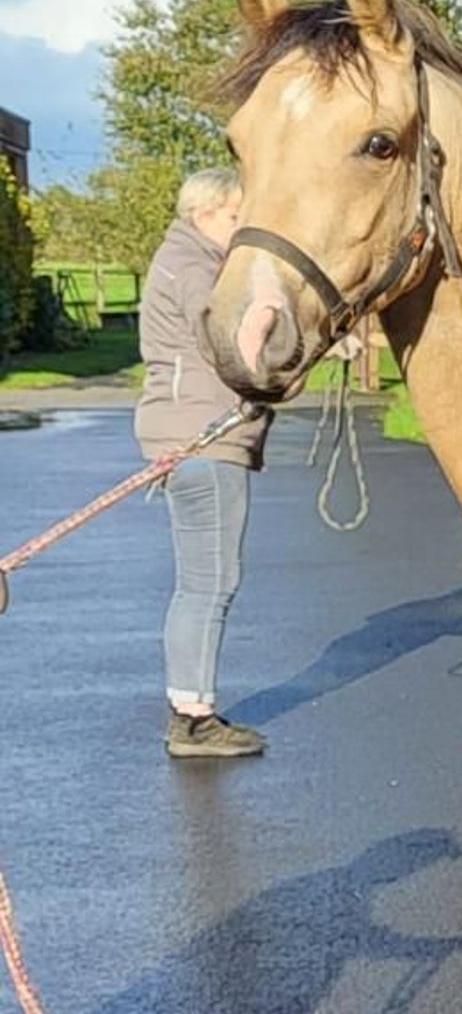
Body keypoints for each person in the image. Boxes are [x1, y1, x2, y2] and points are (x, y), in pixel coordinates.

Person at [134, 168, 273, 758]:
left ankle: (189, 708)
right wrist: (266, 305)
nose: (243, 226)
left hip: (188, 434)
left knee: (200, 581)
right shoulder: (194, 265)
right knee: (210, 582)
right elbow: (224, 330)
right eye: (236, 215)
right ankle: (193, 719)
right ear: (206, 214)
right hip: (203, 438)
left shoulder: (179, 256)